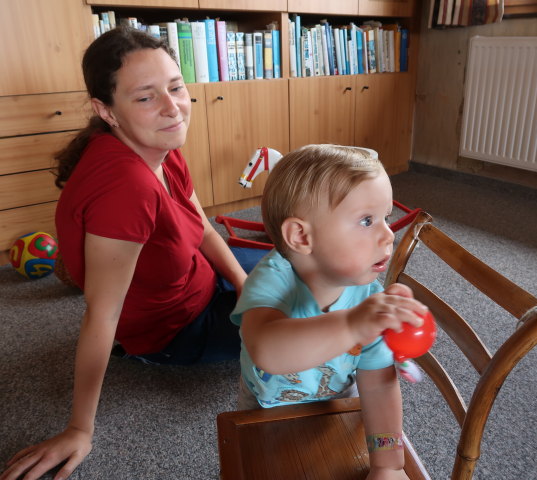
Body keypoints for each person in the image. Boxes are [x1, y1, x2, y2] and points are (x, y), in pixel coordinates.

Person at [1, 27, 248, 480]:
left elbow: (203, 227)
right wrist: (79, 428)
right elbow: (102, 313)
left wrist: (245, 287)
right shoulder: (126, 188)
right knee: (311, 306)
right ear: (106, 111)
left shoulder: (159, 144)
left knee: (294, 266)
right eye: (145, 97)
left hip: (200, 281)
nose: (172, 107)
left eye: (175, 87)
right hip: (176, 331)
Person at [232, 144, 427, 479]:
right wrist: (352, 325)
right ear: (301, 236)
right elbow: (267, 350)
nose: (387, 234)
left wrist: (388, 464)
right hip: (266, 410)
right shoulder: (272, 280)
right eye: (367, 221)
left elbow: (379, 386)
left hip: (340, 402)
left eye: (386, 218)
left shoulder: (367, 295)